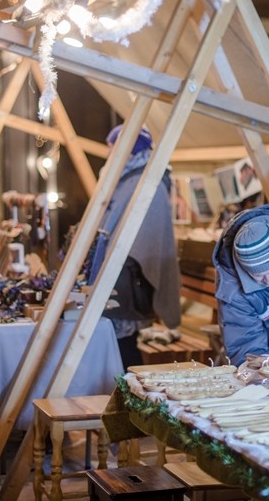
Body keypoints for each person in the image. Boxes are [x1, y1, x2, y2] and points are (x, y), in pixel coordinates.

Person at [85, 124, 181, 370]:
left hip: (128, 280)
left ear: (128, 150)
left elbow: (146, 240)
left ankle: (128, 397)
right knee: (117, 343)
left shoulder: (148, 185)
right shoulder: (128, 179)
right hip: (118, 276)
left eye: (113, 149)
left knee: (124, 344)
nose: (109, 155)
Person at [212, 204, 269, 367]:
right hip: (266, 334)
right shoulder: (233, 289)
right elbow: (245, 344)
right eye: (258, 275)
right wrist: (260, 377)